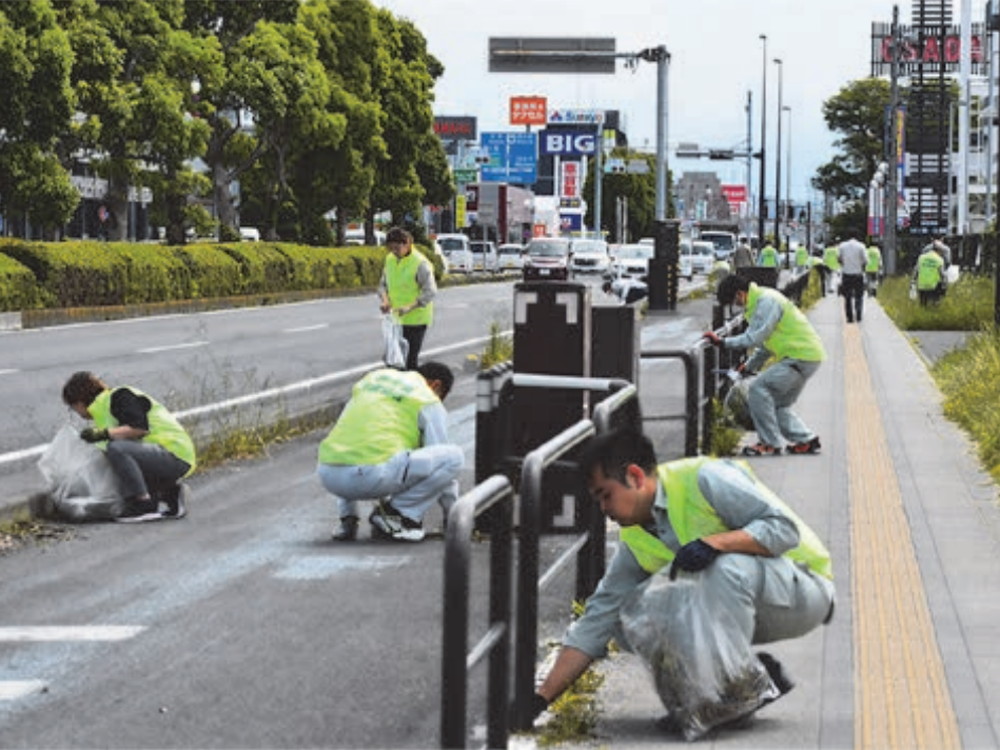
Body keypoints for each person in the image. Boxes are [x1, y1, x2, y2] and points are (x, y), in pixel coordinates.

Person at [528, 429, 835, 733]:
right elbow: (597, 620)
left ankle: (741, 685)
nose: (604, 510)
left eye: (605, 495)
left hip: (800, 588)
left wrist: (716, 543)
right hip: (739, 605)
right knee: (627, 616)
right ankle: (709, 699)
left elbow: (784, 529)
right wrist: (540, 700)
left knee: (722, 568)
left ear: (635, 476)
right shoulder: (636, 536)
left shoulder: (705, 479)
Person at [316, 361, 463, 543]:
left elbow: (350, 442)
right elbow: (440, 455)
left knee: (357, 446)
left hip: (329, 475)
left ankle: (347, 522)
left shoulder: (372, 382)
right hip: (372, 475)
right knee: (454, 457)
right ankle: (401, 514)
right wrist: (454, 516)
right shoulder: (426, 397)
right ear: (436, 385)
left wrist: (348, 517)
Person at [704, 274, 825, 456]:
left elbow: (755, 337)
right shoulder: (762, 301)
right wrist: (750, 365)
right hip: (805, 355)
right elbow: (766, 344)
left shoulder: (766, 302)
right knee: (778, 405)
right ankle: (806, 440)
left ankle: (769, 443)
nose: (737, 306)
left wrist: (722, 342)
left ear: (740, 294)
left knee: (758, 390)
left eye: (735, 302)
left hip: (798, 356)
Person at [61, 371, 195, 522]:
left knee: (117, 449)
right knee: (113, 462)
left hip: (174, 453)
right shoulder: (102, 409)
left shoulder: (119, 396)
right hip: (161, 455)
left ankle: (144, 504)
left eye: (73, 407)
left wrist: (102, 434)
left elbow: (140, 428)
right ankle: (169, 493)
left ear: (79, 402)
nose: (77, 413)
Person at [378, 226, 437, 370]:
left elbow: (430, 291)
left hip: (416, 321)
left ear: (407, 243)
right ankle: (395, 390)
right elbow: (383, 284)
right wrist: (385, 301)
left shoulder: (420, 263)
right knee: (392, 360)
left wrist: (410, 307)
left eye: (397, 248)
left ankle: (413, 390)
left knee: (409, 362)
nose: (395, 252)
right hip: (395, 319)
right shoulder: (390, 259)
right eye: (391, 249)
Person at [837, 234, 867, 323]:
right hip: (858, 274)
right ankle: (858, 315)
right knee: (859, 296)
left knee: (847, 297)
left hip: (846, 274)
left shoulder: (842, 246)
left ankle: (849, 317)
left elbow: (839, 259)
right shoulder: (861, 246)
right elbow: (865, 260)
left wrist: (844, 265)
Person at [913, 242, 947, 307]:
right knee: (935, 304)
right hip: (934, 286)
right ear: (939, 250)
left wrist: (913, 282)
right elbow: (943, 275)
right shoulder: (939, 259)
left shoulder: (921, 257)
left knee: (923, 304)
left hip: (921, 285)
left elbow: (916, 270)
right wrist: (944, 287)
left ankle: (922, 314)